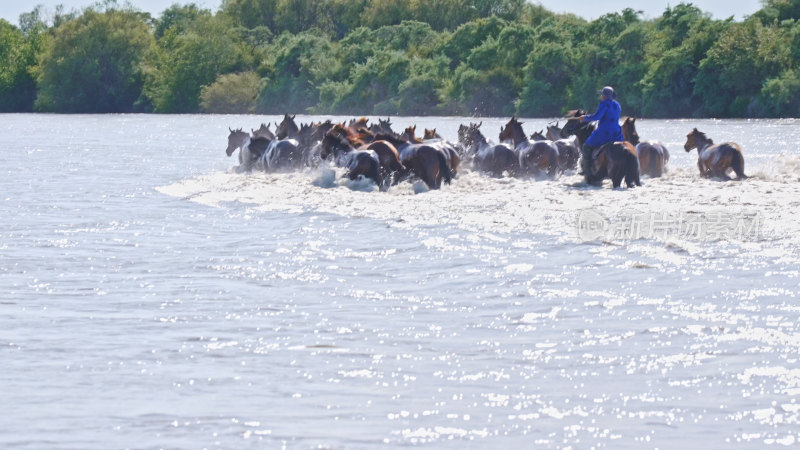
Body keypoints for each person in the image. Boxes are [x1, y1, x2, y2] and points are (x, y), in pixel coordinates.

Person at [578, 86, 624, 176]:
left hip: (604, 132)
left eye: (602, 95)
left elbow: (597, 117)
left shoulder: (604, 104)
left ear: (604, 96)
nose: (601, 97)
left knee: (586, 146)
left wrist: (585, 118)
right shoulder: (617, 105)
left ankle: (587, 170)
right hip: (617, 132)